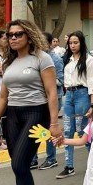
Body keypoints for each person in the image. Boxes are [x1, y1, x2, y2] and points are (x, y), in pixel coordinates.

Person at [0, 20, 62, 185]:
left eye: (19, 34)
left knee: (20, 164)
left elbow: (52, 93)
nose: (13, 38)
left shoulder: (41, 58)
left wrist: (54, 123)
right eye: (10, 35)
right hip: (13, 116)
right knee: (19, 168)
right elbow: (2, 97)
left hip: (35, 114)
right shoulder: (8, 62)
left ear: (29, 36)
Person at [56, 30, 93, 177]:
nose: (73, 45)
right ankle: (69, 166)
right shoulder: (66, 59)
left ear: (81, 43)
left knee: (83, 131)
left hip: (83, 95)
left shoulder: (89, 60)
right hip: (68, 95)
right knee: (67, 130)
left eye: (76, 42)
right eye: (70, 43)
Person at [32, 32, 64, 171]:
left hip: (53, 98)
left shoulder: (55, 59)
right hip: (39, 98)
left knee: (50, 128)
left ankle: (51, 158)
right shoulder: (36, 57)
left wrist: (44, 80)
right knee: (36, 129)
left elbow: (61, 80)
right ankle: (33, 159)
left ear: (50, 43)